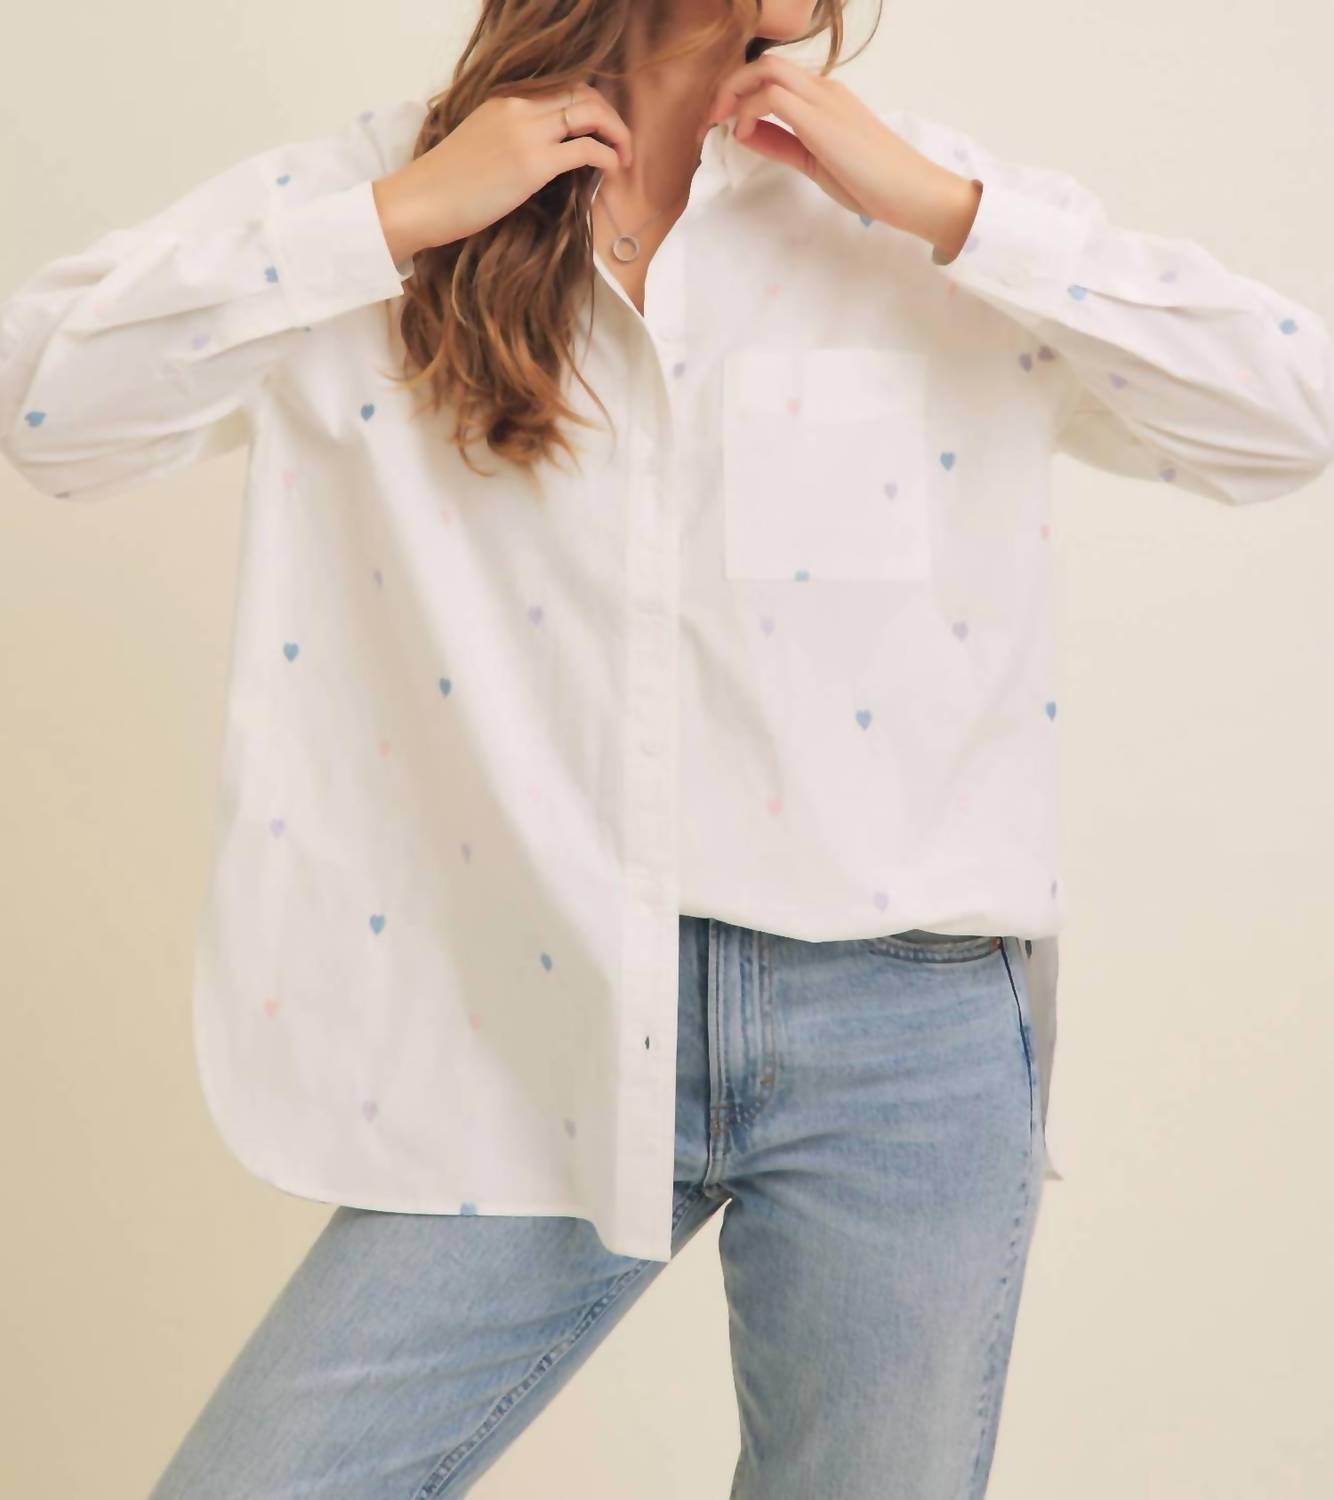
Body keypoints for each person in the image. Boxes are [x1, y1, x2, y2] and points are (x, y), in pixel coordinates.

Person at [3, 1, 1330, 1496]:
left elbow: (1289, 413)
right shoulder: (387, 189)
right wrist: (389, 222)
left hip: (908, 1038)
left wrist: (950, 214)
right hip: (545, 1020)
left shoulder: (913, 201)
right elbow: (45, 405)